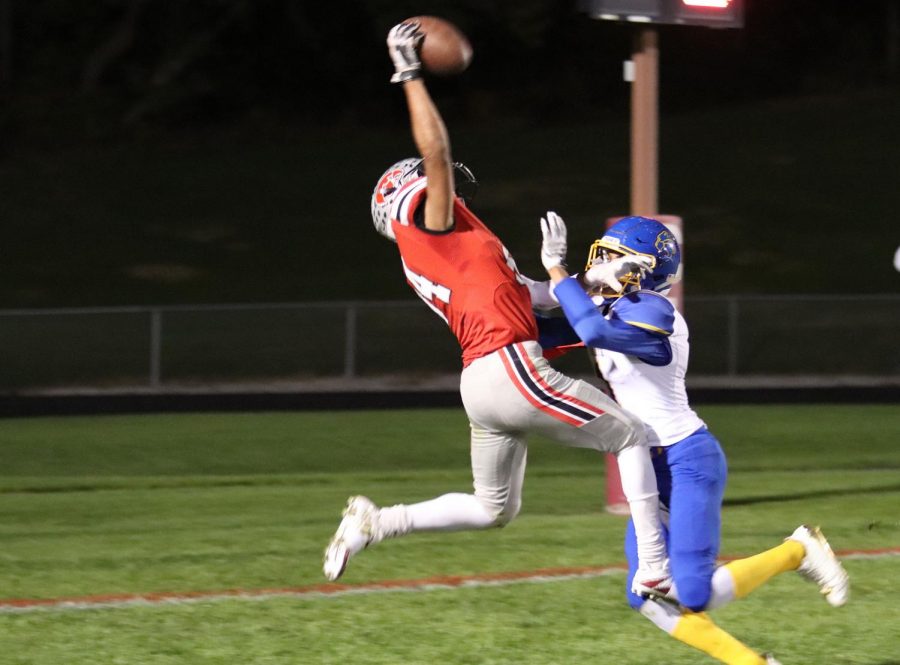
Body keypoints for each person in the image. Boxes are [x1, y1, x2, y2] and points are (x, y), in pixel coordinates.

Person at [321, 21, 671, 591]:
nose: (450, 188)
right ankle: (656, 567)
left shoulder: (452, 252)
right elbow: (436, 154)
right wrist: (410, 74)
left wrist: (588, 277)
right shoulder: (428, 225)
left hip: (483, 383)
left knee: (494, 509)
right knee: (631, 434)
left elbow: (534, 298)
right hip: (509, 366)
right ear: (406, 197)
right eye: (434, 184)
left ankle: (376, 521)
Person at [536, 211, 851, 665]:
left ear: (643, 267)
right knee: (647, 594)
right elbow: (544, 330)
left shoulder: (654, 309)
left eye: (612, 256)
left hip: (687, 459)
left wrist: (557, 270)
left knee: (694, 593)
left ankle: (798, 550)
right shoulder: (611, 305)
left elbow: (592, 330)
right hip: (649, 465)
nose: (601, 264)